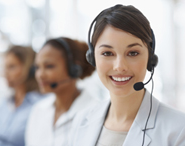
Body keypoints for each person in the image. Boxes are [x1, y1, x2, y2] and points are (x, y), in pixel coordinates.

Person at [69, 4, 185, 146]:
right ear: (92, 58)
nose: (120, 66)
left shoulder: (179, 129)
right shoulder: (81, 121)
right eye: (107, 53)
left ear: (150, 58)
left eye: (133, 53)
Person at [25, 37, 96, 146]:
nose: (40, 75)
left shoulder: (95, 113)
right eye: (37, 67)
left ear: (74, 69)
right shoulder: (38, 110)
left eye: (49, 66)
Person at [0, 46, 43, 146]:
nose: (5, 73)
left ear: (30, 69)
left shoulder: (41, 105)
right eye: (5, 67)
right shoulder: (3, 105)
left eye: (12, 67)